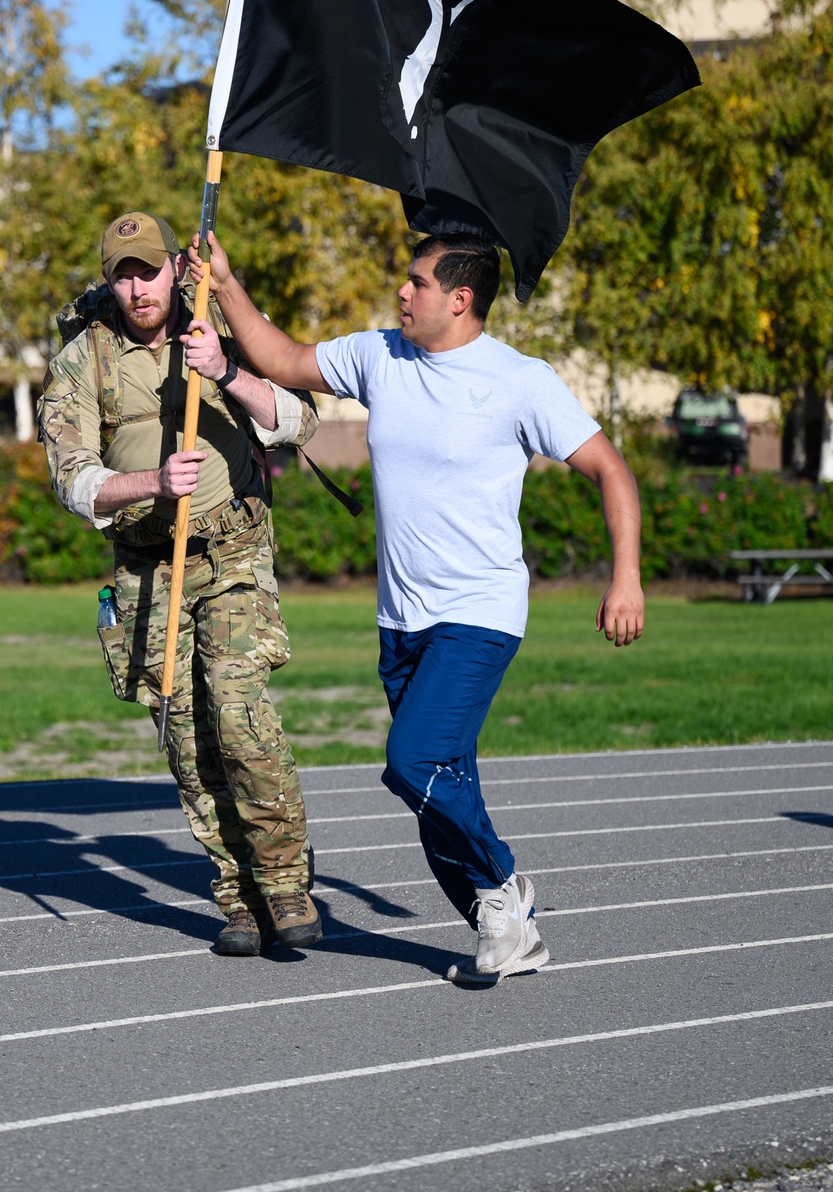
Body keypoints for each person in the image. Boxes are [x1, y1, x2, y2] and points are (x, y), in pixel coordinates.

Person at [187, 228, 644, 984]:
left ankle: (503, 884)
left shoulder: (520, 380)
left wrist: (625, 576)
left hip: (481, 612)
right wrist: (227, 282)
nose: (402, 291)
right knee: (439, 786)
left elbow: (610, 468)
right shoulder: (379, 356)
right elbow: (282, 359)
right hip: (400, 620)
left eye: (417, 282)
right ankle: (502, 930)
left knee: (411, 761)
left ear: (460, 299)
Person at [38, 211, 322, 957]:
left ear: (174, 268)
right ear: (109, 279)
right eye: (123, 273)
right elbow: (72, 481)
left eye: (150, 269)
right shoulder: (83, 361)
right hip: (148, 567)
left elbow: (299, 421)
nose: (138, 287)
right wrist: (151, 481)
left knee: (235, 707)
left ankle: (285, 880)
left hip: (232, 552)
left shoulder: (215, 329)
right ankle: (237, 896)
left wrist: (225, 370)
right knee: (188, 740)